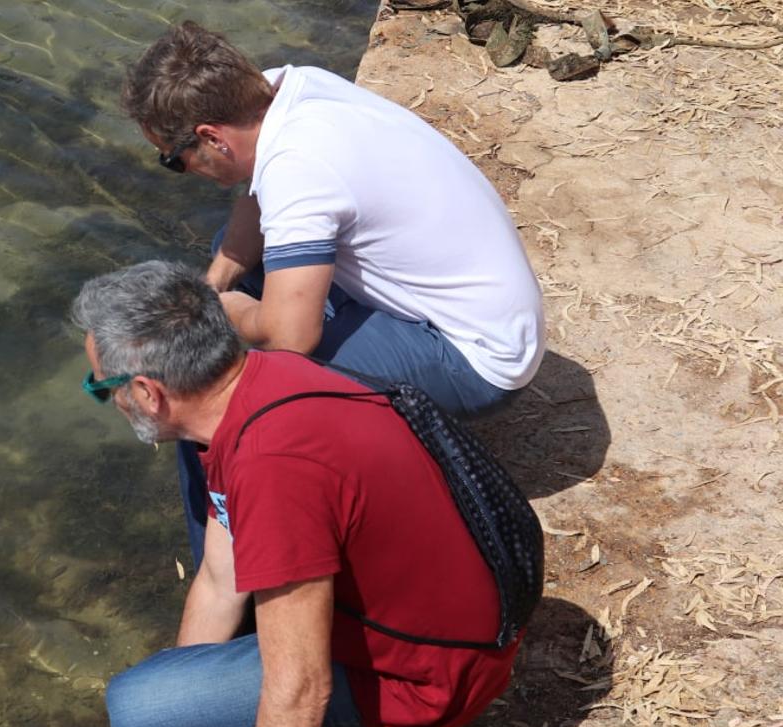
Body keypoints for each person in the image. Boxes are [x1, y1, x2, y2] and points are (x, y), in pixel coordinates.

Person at [121, 20, 546, 567]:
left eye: (173, 160)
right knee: (229, 258)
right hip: (484, 312)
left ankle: (228, 571)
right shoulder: (287, 91)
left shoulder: (299, 168)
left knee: (208, 382)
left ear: (211, 138)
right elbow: (256, 204)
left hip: (478, 361)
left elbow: (290, 337)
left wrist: (226, 314)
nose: (181, 171)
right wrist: (213, 285)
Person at [72, 261, 521, 727]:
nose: (110, 401)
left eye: (102, 387)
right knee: (155, 714)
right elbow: (221, 579)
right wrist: (177, 724)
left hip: (430, 680)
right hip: (463, 626)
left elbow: (299, 686)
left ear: (149, 393)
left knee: (137, 708)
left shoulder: (271, 468)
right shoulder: (265, 383)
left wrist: (159, 724)